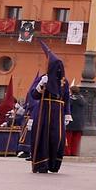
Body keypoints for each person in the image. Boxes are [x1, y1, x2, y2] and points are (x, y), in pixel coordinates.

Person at [29, 41, 70, 174]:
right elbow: (34, 95)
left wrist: (67, 114)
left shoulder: (64, 82)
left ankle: (54, 164)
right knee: (43, 136)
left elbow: (66, 98)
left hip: (58, 112)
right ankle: (42, 164)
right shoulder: (43, 78)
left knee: (56, 138)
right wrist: (41, 86)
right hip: (45, 110)